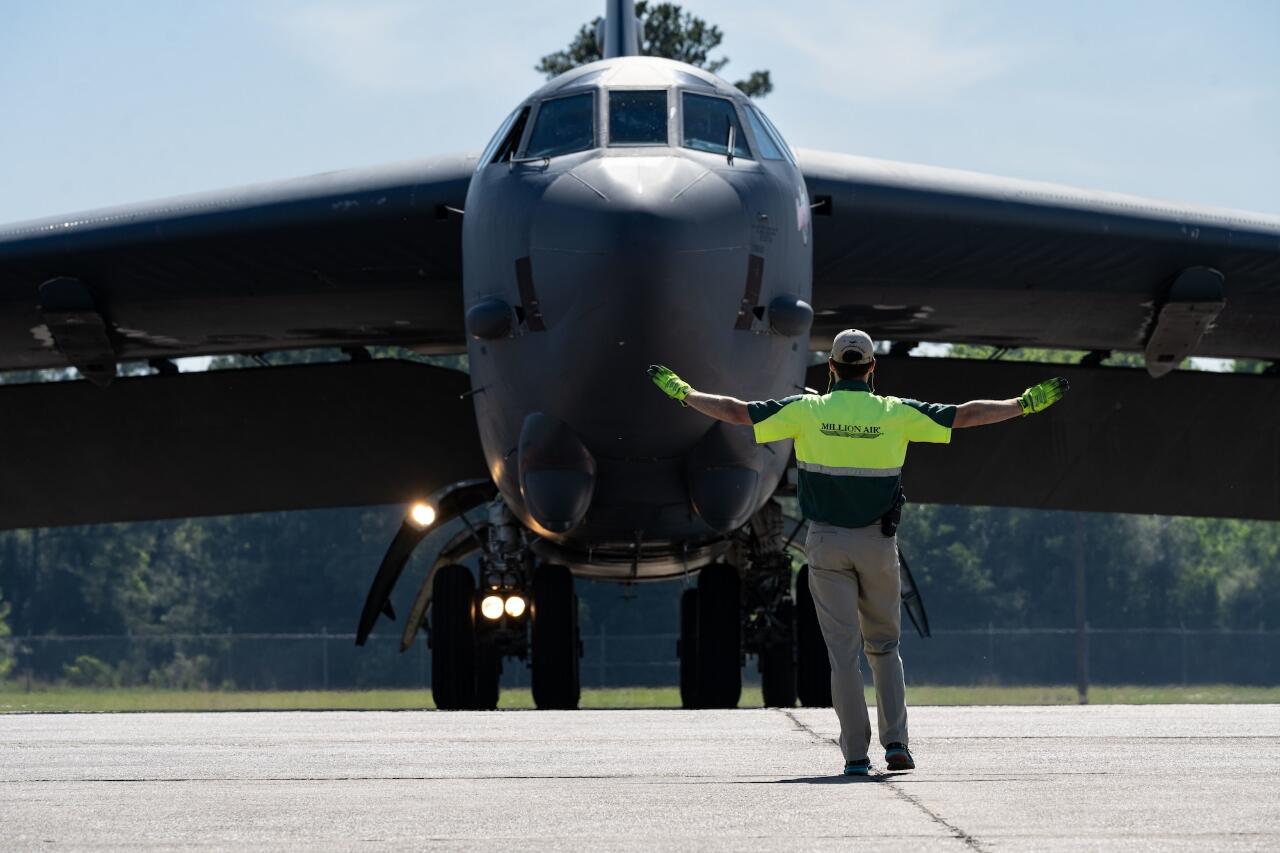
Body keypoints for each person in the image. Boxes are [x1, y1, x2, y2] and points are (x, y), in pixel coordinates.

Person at [647, 329, 1068, 775]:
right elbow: (964, 416)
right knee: (884, 647)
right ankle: (897, 744)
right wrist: (1023, 404)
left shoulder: (805, 411)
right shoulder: (895, 413)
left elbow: (735, 412)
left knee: (843, 656)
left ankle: (855, 754)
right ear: (871, 368)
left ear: (831, 367)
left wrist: (685, 393)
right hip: (878, 545)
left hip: (826, 545)